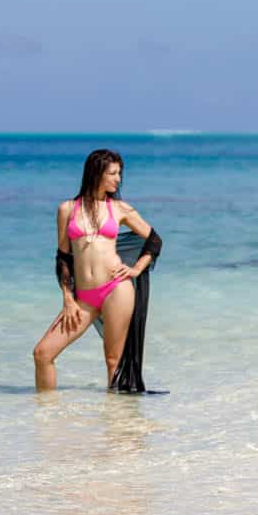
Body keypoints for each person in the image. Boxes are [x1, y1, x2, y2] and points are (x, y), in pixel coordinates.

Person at [33, 149, 162, 392]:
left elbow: (154, 240)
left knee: (114, 362)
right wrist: (68, 299)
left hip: (116, 290)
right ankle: (47, 417)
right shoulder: (68, 209)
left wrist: (135, 269)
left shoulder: (120, 209)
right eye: (113, 173)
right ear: (96, 174)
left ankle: (116, 424)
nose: (118, 179)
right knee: (42, 353)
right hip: (84, 298)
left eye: (119, 174)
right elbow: (63, 258)